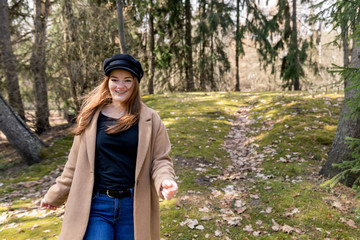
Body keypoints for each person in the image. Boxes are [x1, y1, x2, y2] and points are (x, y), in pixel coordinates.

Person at [40, 53, 178, 240]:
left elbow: (160, 160)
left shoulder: (150, 119)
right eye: (115, 80)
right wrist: (55, 195)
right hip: (95, 205)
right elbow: (73, 165)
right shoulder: (90, 118)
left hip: (134, 207)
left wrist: (164, 181)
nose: (120, 86)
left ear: (135, 84)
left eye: (127, 80)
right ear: (107, 82)